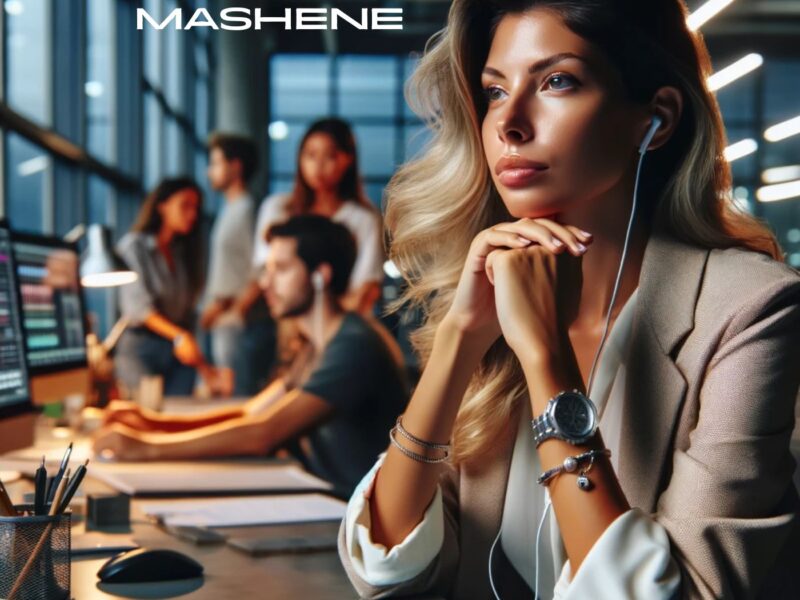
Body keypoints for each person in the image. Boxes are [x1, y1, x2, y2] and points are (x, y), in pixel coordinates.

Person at [337, 2, 800, 599]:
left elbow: (689, 590)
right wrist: (461, 335)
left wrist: (543, 354)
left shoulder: (751, 308)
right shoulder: (489, 294)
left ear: (654, 119)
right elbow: (386, 569)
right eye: (495, 91)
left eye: (557, 81)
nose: (510, 123)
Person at [94, 216, 409, 496]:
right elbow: (252, 413)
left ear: (320, 275)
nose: (265, 283)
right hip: (315, 497)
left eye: (281, 270)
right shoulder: (316, 344)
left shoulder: (353, 345)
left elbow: (263, 434)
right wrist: (153, 423)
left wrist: (145, 449)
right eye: (267, 270)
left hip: (346, 517)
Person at [251, 118, 385, 315]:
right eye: (311, 155)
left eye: (330, 156)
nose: (318, 166)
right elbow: (263, 271)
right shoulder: (277, 209)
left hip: (338, 320)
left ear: (348, 159)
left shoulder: (363, 218)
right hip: (283, 321)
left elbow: (366, 287)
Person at [115, 178, 209, 396]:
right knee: (147, 415)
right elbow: (139, 308)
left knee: (180, 416)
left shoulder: (182, 254)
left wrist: (205, 368)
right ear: (162, 205)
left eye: (196, 208)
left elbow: (188, 315)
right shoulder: (134, 247)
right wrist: (179, 337)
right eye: (185, 205)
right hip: (142, 347)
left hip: (177, 354)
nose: (192, 214)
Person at [202, 132, 270, 395]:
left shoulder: (248, 210)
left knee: (240, 398)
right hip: (227, 324)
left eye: (215, 163)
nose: (210, 171)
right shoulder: (229, 209)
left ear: (235, 166)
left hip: (242, 324)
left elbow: (262, 266)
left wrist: (237, 309)